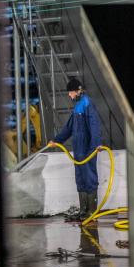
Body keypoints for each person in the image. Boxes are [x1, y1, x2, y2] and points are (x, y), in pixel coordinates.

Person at [48, 78, 103, 221]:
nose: (69, 95)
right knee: (80, 179)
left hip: (88, 149)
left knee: (89, 178)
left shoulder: (87, 103)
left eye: (70, 92)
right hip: (78, 150)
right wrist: (56, 141)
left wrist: (96, 144)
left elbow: (94, 125)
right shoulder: (77, 106)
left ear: (78, 91)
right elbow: (68, 128)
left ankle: (92, 213)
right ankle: (84, 211)